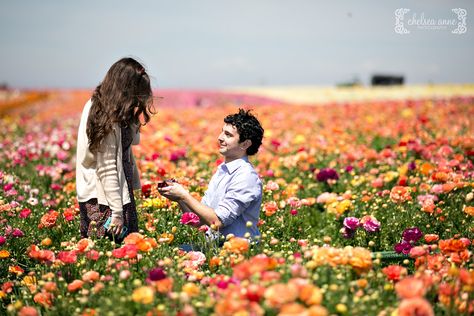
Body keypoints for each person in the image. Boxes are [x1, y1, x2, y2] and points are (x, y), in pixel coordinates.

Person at [76, 57, 154, 241]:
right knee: (111, 250)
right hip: (105, 199)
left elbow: (133, 141)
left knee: (124, 250)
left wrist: (132, 114)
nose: (138, 101)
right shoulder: (105, 115)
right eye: (136, 94)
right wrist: (117, 212)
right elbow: (107, 166)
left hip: (118, 192)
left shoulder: (111, 108)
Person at [158, 109, 264, 244]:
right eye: (222, 131)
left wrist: (185, 195)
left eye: (228, 135)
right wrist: (179, 199)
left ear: (245, 144)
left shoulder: (245, 177)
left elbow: (217, 222)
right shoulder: (222, 170)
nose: (220, 137)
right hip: (214, 248)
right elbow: (198, 221)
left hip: (237, 252)